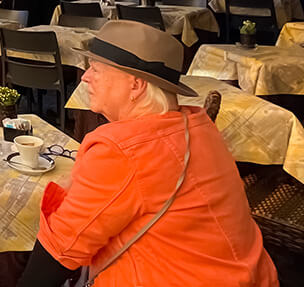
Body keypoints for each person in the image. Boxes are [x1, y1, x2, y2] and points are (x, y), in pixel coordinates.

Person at [19, 20, 276, 286]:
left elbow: (61, 248)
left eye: (95, 69)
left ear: (136, 85)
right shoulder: (196, 123)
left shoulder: (122, 150)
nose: (85, 77)